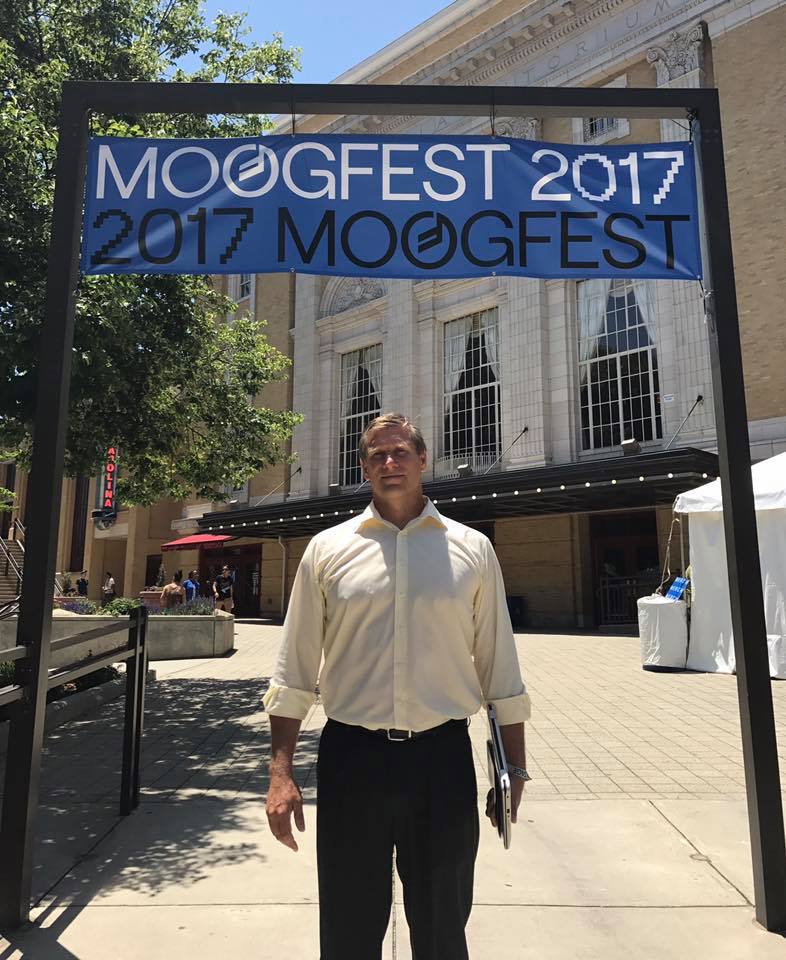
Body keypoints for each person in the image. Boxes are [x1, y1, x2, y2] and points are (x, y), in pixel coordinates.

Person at [263, 413, 531, 960]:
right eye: (377, 455)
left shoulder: (472, 549)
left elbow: (500, 666)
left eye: (401, 452)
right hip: (352, 760)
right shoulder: (327, 550)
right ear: (363, 468)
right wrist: (280, 774)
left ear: (423, 460)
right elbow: (294, 671)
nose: (390, 462)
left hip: (442, 762)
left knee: (442, 929)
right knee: (348, 928)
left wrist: (516, 768)